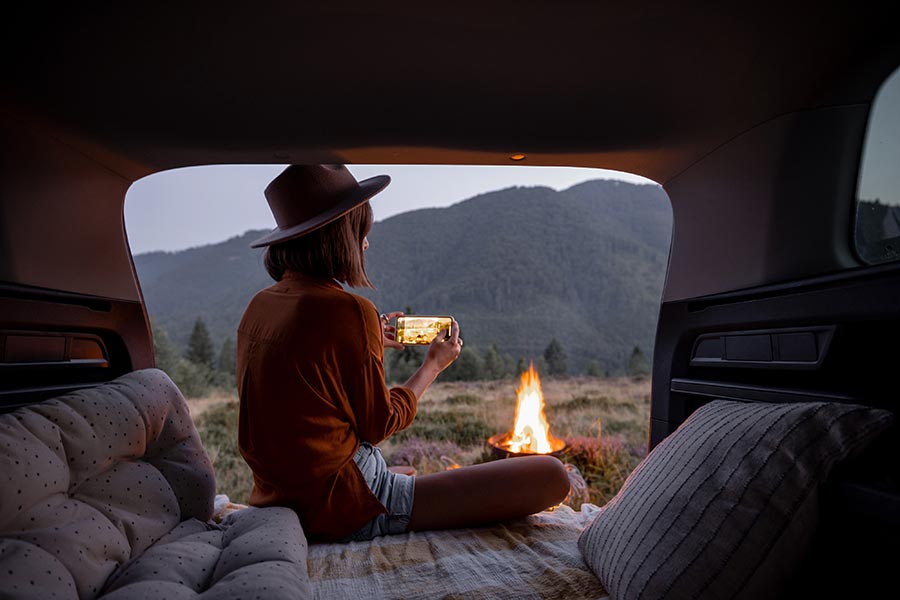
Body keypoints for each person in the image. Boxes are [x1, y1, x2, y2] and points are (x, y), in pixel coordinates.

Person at [236, 164, 570, 543]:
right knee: (551, 476)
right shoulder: (349, 311)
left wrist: (369, 339)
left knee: (408, 472)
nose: (366, 244)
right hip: (342, 506)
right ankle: (389, 489)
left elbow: (303, 393)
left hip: (279, 497)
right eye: (362, 232)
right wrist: (433, 365)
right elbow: (378, 425)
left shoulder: (259, 307)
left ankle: (391, 479)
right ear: (340, 236)